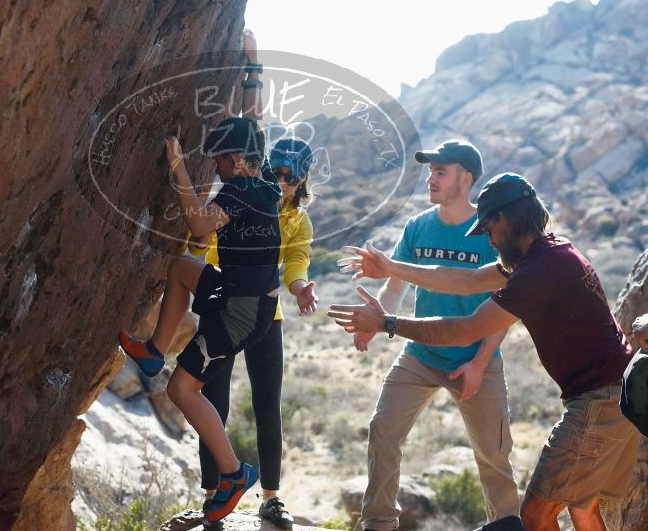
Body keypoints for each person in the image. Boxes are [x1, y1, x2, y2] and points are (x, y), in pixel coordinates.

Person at [330, 173, 640, 531]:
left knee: (536, 514)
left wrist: (386, 323)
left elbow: (465, 331)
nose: (488, 238)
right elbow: (468, 280)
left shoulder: (539, 270)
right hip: (617, 395)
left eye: (489, 227)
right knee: (583, 508)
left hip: (600, 401)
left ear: (508, 219)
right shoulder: (549, 251)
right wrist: (392, 268)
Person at [119, 114, 282, 523]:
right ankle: (155, 350)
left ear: (240, 159)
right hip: (241, 299)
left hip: (239, 314)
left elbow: (197, 224)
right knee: (180, 268)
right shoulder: (260, 189)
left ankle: (234, 473)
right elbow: (204, 238)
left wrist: (177, 164)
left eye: (222, 160)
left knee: (182, 390)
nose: (219, 168)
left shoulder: (242, 189)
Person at [348, 141, 519, 531]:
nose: (431, 179)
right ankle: (377, 524)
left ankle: (507, 525)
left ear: (466, 179)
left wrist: (478, 363)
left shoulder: (490, 231)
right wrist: (377, 319)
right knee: (383, 430)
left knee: (493, 456)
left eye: (440, 172)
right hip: (421, 354)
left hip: (476, 359)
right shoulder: (418, 225)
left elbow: (506, 307)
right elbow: (394, 283)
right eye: (430, 172)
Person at [189, 137, 316, 529]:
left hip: (265, 314)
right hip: (223, 307)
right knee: (214, 400)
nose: (280, 182)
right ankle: (212, 496)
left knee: (267, 405)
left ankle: (272, 499)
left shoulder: (299, 221)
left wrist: (300, 288)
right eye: (274, 172)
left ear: (303, 178)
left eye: (289, 176)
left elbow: (296, 263)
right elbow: (205, 249)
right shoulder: (242, 196)